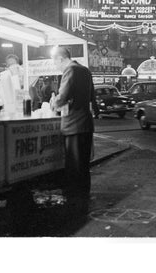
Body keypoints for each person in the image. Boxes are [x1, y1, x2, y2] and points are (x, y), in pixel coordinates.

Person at [50, 46, 99, 211]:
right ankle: (83, 196)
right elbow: (93, 97)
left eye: (55, 62)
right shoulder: (85, 70)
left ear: (61, 58)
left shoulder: (70, 71)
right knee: (83, 165)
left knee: (74, 165)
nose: (56, 66)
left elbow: (61, 98)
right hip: (86, 124)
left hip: (73, 125)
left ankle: (75, 201)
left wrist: (53, 103)